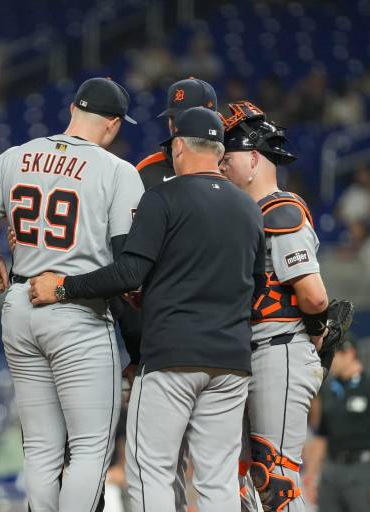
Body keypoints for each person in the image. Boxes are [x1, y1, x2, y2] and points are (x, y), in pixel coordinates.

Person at [30, 106, 266, 512]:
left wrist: (65, 286)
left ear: (179, 147)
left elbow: (128, 273)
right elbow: (257, 287)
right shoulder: (248, 207)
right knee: (218, 479)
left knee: (150, 470)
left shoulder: (162, 197)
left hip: (172, 356)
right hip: (231, 360)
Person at [0, 77, 144, 511]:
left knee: (40, 448)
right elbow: (126, 269)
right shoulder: (118, 171)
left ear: (73, 109)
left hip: (20, 304)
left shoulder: (17, 155)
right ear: (113, 124)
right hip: (77, 309)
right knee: (90, 447)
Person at [219, 101, 328, 511]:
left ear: (253, 158)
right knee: (241, 480)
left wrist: (316, 331)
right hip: (249, 353)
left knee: (275, 478)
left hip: (279, 348)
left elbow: (314, 296)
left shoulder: (281, 209)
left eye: (228, 157)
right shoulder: (243, 212)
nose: (222, 166)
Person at [305, 341, 370, 512]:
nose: (331, 361)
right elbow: (321, 437)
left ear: (349, 353)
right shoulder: (329, 390)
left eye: (334, 355)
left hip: (365, 470)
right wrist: (311, 475)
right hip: (332, 471)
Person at [134, 78, 218, 190]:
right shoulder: (147, 170)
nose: (176, 126)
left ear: (214, 120)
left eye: (188, 119)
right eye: (173, 118)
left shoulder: (230, 166)